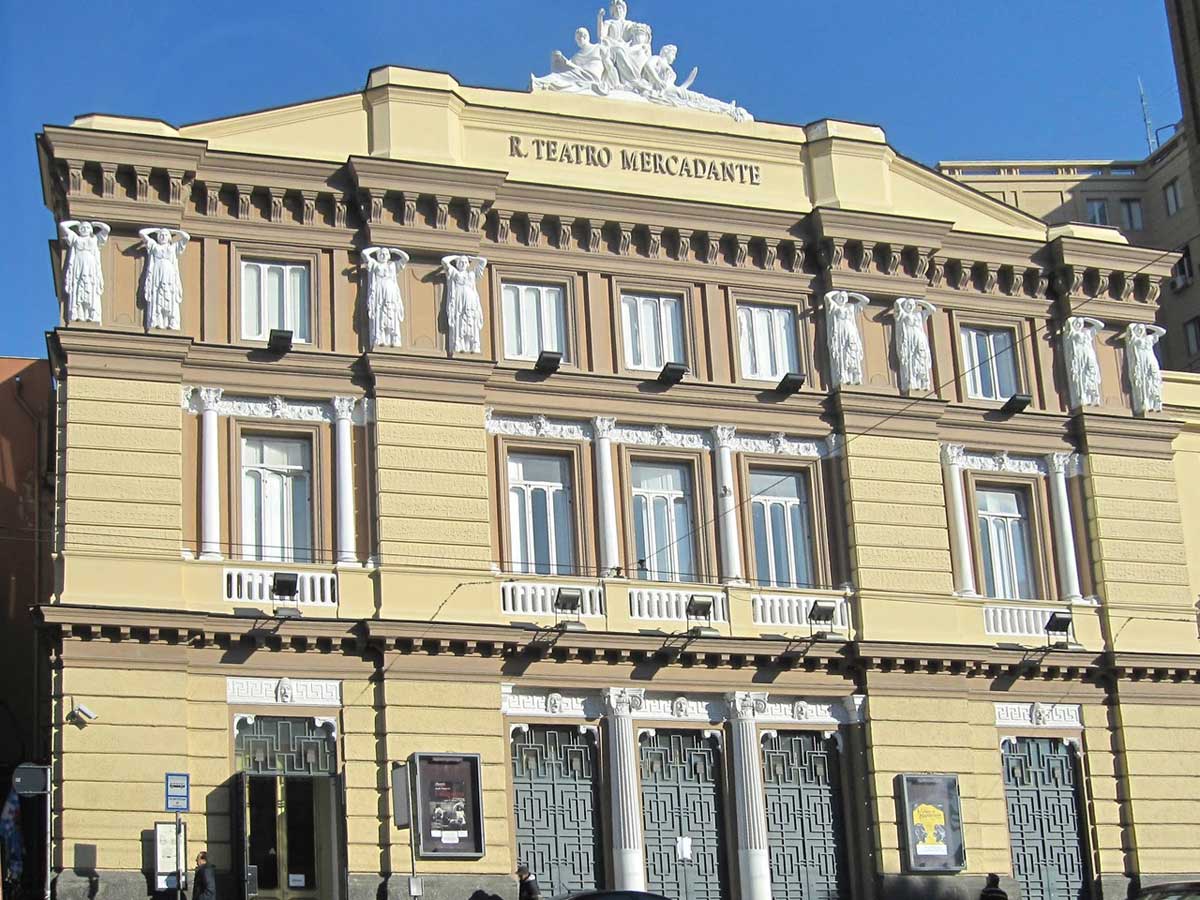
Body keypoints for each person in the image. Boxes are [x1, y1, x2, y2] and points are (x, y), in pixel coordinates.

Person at [59, 219, 110, 323]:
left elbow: (106, 229)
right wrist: (76, 223)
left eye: (87, 227)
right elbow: (62, 226)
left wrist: (96, 224)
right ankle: (79, 314)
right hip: (78, 265)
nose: (84, 229)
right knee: (79, 289)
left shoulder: (95, 239)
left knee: (90, 289)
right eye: (82, 228)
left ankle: (91, 315)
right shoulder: (75, 239)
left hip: (90, 266)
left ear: (91, 230)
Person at [140, 227, 189, 331]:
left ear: (170, 238)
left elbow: (186, 237)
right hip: (157, 275)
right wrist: (156, 229)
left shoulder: (174, 247)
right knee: (157, 297)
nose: (163, 236)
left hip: (169, 275)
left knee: (170, 297)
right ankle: (157, 322)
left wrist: (173, 231)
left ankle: (171, 322)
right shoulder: (154, 246)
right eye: (161, 234)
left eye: (166, 235)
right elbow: (142, 233)